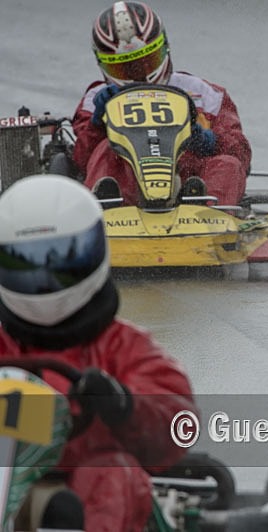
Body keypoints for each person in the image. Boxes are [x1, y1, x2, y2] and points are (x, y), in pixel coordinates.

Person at [0, 175, 197, 530]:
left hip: (89, 491)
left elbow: (178, 423)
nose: (47, 278)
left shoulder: (122, 346)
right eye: (26, 262)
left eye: (62, 260)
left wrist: (125, 405)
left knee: (109, 474)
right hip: (11, 490)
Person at [72, 1, 252, 206]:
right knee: (105, 149)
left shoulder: (207, 95)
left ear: (164, 48)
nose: (140, 75)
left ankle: (210, 215)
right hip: (127, 197)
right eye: (125, 68)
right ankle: (107, 211)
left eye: (147, 61)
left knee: (228, 164)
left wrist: (206, 140)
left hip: (189, 182)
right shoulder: (95, 100)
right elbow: (81, 161)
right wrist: (98, 125)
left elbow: (242, 154)